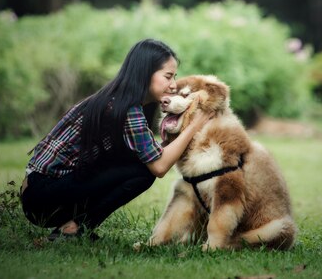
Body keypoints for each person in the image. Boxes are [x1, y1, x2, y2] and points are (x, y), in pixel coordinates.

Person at [20, 39, 211, 240]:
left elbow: (151, 153)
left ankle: (73, 227)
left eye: (175, 77)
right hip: (41, 197)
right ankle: (74, 229)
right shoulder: (127, 108)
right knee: (143, 173)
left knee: (138, 163)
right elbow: (159, 166)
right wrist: (194, 126)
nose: (173, 85)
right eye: (168, 76)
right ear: (145, 73)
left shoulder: (120, 99)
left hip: (42, 191)